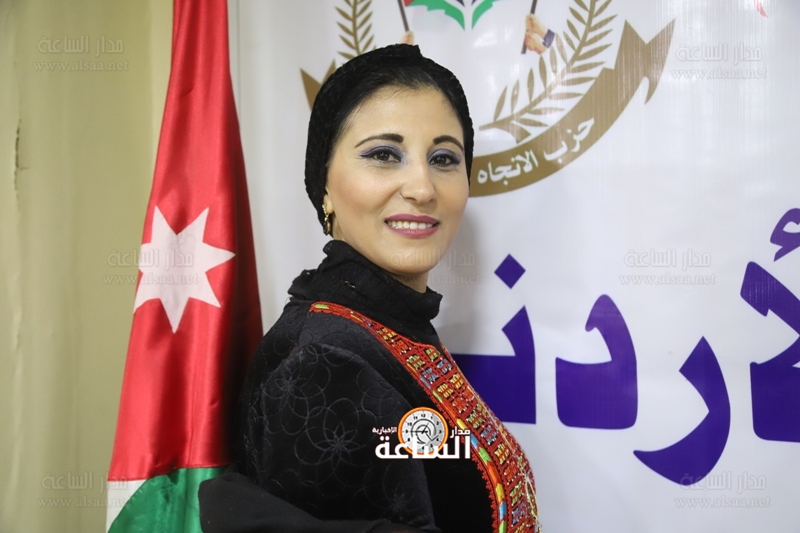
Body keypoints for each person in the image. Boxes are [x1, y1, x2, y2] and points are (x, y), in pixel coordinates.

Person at [199, 44, 541, 533]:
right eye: (384, 155)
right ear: (324, 187)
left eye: (444, 158)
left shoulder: (390, 322)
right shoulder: (324, 363)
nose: (422, 188)